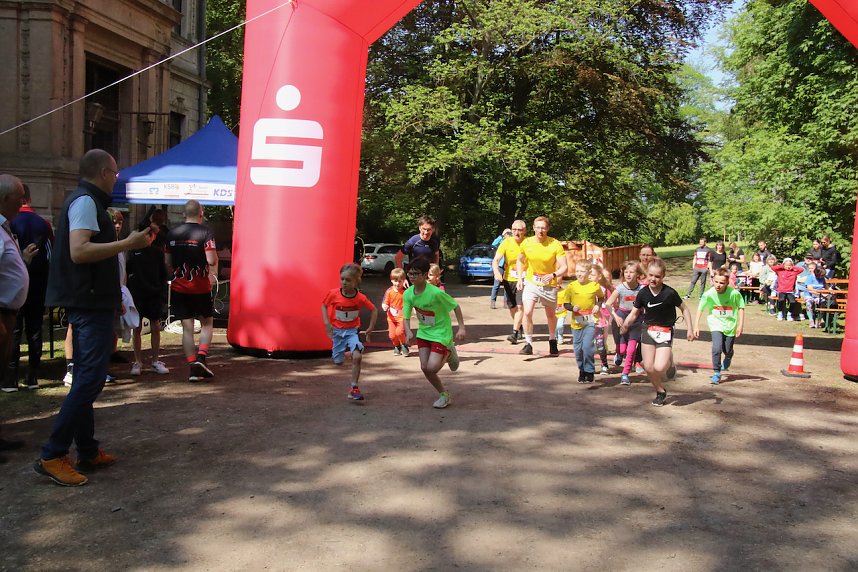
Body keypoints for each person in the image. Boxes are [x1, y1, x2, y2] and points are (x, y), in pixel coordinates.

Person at [35, 150, 153, 486]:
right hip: (86, 305)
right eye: (115, 173)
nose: (116, 178)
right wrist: (125, 243)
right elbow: (79, 251)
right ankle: (53, 453)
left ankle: (86, 449)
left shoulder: (89, 202)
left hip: (92, 303)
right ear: (104, 172)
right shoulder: (86, 202)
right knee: (88, 380)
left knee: (90, 378)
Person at [621, 258, 694, 407]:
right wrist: (625, 324)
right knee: (648, 367)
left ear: (663, 276)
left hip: (665, 331)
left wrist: (690, 329)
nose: (653, 279)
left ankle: (669, 360)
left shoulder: (670, 293)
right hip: (648, 330)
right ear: (647, 274)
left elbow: (684, 309)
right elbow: (635, 313)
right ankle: (660, 391)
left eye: (657, 276)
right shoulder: (643, 293)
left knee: (659, 367)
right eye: (651, 275)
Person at [403, 258, 466, 409]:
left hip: (441, 333)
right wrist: (408, 331)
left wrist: (462, 328)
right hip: (424, 333)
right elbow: (405, 316)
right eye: (410, 273)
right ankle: (444, 394)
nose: (411, 276)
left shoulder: (436, 293)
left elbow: (455, 306)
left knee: (432, 368)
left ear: (425, 275)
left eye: (415, 274)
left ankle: (449, 353)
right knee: (425, 367)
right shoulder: (408, 294)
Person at [166, 200, 218, 382]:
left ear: (183, 214)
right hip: (200, 287)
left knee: (187, 329)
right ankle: (201, 358)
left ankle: (192, 368)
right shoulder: (205, 232)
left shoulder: (172, 233)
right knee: (206, 323)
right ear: (201, 213)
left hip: (180, 287)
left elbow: (167, 262)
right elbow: (211, 260)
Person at [7, 182, 53, 390]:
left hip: (14, 285)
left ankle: (10, 377)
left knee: (14, 330)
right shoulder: (43, 224)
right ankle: (32, 375)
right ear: (30, 199)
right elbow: (51, 255)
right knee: (35, 327)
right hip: (38, 283)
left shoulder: (10, 223)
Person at [322, 263, 377, 401]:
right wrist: (327, 323)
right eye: (342, 279)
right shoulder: (333, 294)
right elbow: (324, 305)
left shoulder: (360, 298)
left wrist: (370, 327)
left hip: (352, 331)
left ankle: (354, 388)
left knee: (358, 357)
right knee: (338, 362)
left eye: (348, 280)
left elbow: (374, 310)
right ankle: (346, 353)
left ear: (356, 281)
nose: (344, 283)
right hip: (337, 332)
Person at [515, 216, 568, 356]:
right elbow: (520, 261)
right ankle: (528, 344)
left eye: (543, 228)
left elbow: (564, 267)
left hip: (549, 284)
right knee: (527, 311)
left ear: (547, 229)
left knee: (550, 315)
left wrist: (553, 275)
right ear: (533, 228)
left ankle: (552, 339)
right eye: (538, 227)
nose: (540, 231)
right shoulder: (526, 243)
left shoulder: (555, 244)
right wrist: (520, 278)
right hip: (532, 282)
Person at [127, 220, 169, 376]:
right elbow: (127, 271)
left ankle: (155, 360)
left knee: (155, 326)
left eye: (150, 235)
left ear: (153, 236)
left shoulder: (157, 253)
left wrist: (161, 292)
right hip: (137, 295)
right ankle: (138, 361)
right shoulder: (132, 253)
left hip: (154, 296)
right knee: (136, 328)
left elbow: (163, 275)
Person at [694, 267, 745, 385]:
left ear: (727, 282)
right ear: (712, 280)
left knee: (726, 349)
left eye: (722, 283)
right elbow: (700, 308)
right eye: (716, 282)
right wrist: (696, 325)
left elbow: (741, 307)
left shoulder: (734, 294)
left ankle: (729, 355)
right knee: (716, 348)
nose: (718, 285)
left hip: (730, 325)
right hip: (715, 323)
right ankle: (717, 373)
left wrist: (740, 325)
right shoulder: (709, 294)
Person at [561, 259, 604, 383]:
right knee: (578, 349)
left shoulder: (594, 286)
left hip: (590, 320)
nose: (579, 274)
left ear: (589, 272)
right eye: (577, 271)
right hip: (577, 321)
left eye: (582, 271)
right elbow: (566, 304)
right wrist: (572, 308)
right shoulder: (571, 286)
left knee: (587, 347)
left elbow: (601, 297)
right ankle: (582, 370)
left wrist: (598, 305)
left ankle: (590, 371)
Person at [606, 261, 644, 386]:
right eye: (626, 272)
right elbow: (607, 304)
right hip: (621, 319)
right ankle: (619, 353)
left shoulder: (642, 289)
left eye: (631, 272)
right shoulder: (620, 288)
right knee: (622, 349)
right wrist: (615, 316)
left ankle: (625, 374)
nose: (628, 274)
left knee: (631, 349)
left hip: (636, 320)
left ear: (638, 274)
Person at [491, 220, 527, 344]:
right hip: (508, 278)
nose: (517, 232)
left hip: (524, 279)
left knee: (521, 306)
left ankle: (514, 333)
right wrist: (496, 272)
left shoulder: (528, 243)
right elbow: (496, 260)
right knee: (512, 307)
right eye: (515, 230)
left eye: (520, 230)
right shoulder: (506, 242)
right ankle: (519, 325)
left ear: (524, 231)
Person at [590, 263, 613, 374]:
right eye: (588, 274)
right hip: (585, 321)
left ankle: (604, 365)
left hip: (599, 320)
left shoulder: (602, 289)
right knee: (587, 345)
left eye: (592, 274)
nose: (589, 276)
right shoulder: (580, 288)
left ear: (599, 277)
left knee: (600, 344)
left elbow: (606, 303)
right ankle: (589, 366)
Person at [382, 267, 408, 356]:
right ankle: (397, 346)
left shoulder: (405, 292)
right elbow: (386, 301)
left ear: (404, 281)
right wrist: (385, 306)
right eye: (395, 281)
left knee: (399, 332)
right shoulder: (389, 292)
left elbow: (408, 303)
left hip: (401, 317)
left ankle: (404, 345)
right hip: (391, 317)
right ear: (391, 280)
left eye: (400, 281)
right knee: (392, 335)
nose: (397, 283)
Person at [489, 229, 512, 309]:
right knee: (496, 285)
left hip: (508, 266)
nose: (508, 235)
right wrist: (501, 236)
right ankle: (493, 301)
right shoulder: (501, 241)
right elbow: (493, 244)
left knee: (507, 285)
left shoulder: (512, 242)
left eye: (510, 233)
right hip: (500, 265)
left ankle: (506, 302)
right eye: (507, 233)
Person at [799, 261, 826, 328]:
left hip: (819, 296)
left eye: (812, 268)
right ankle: (811, 320)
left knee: (823, 302)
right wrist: (820, 293)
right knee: (809, 303)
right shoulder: (809, 277)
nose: (810, 270)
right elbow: (810, 289)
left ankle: (819, 320)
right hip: (810, 295)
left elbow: (825, 287)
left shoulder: (822, 278)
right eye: (809, 268)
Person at [554, 276, 569, 345]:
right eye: (555, 283)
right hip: (553, 312)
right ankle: (555, 336)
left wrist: (565, 306)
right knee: (554, 326)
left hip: (562, 312)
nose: (557, 285)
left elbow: (567, 300)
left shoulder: (564, 291)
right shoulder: (550, 291)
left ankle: (560, 336)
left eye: (558, 283)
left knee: (559, 325)